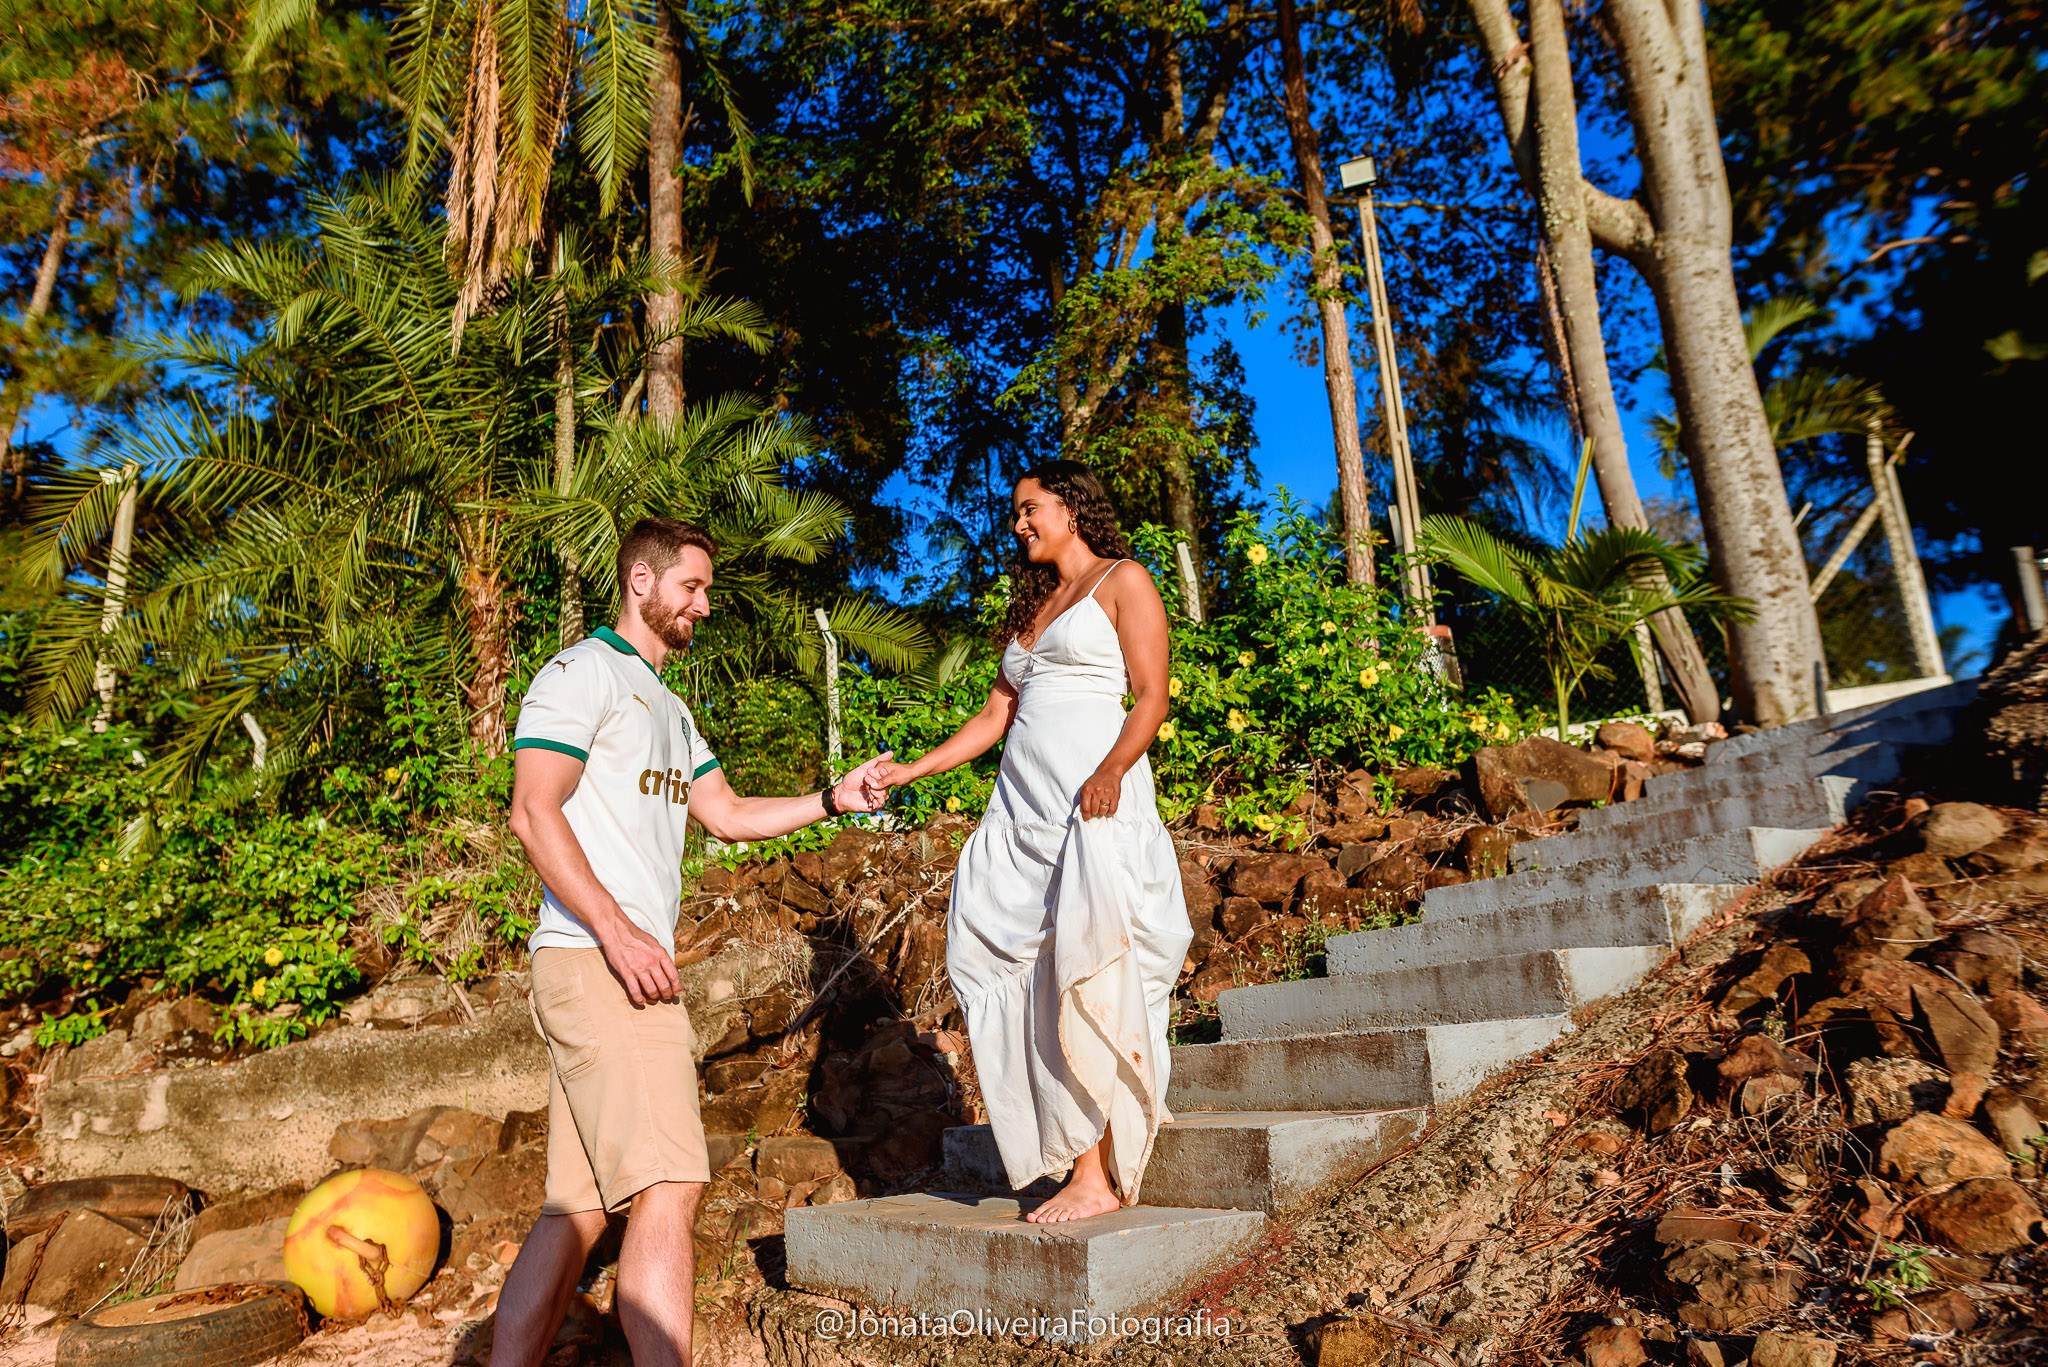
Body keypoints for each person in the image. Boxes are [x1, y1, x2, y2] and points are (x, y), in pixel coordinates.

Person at [492, 516, 892, 1366]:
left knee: (579, 1210)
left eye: (706, 590)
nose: (703, 606)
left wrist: (833, 797)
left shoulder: (669, 709)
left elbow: (730, 813)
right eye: (691, 587)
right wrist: (617, 927)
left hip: (604, 963)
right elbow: (533, 809)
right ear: (641, 582)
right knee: (674, 1181)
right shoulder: (582, 674)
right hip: (602, 963)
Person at [873, 461, 1186, 1223]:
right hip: (1024, 810)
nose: (1017, 522)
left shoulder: (1124, 580)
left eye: (1029, 508)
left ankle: (1094, 1174)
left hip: (1093, 802)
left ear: (1073, 509)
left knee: (1092, 962)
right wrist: (911, 769)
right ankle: (1074, 1145)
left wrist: (1112, 767)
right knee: (1028, 965)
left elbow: (1152, 694)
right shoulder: (1034, 608)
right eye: (1015, 512)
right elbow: (993, 719)